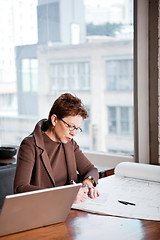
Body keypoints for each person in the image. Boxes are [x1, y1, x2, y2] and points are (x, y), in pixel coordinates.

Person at [14, 93, 99, 203]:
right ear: (54, 120)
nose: (73, 133)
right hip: (40, 210)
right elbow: (20, 188)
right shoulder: (30, 145)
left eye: (77, 128)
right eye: (70, 126)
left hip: (68, 209)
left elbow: (91, 170)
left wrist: (88, 182)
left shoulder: (70, 144)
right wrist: (65, 196)